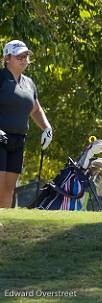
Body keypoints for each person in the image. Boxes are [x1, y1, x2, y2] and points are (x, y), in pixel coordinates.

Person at [0, 40, 53, 208]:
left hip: (18, 140)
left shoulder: (29, 83)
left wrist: (47, 128)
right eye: (19, 56)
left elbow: (35, 109)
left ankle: (5, 224)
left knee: (9, 188)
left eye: (26, 56)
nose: (24, 60)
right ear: (7, 58)